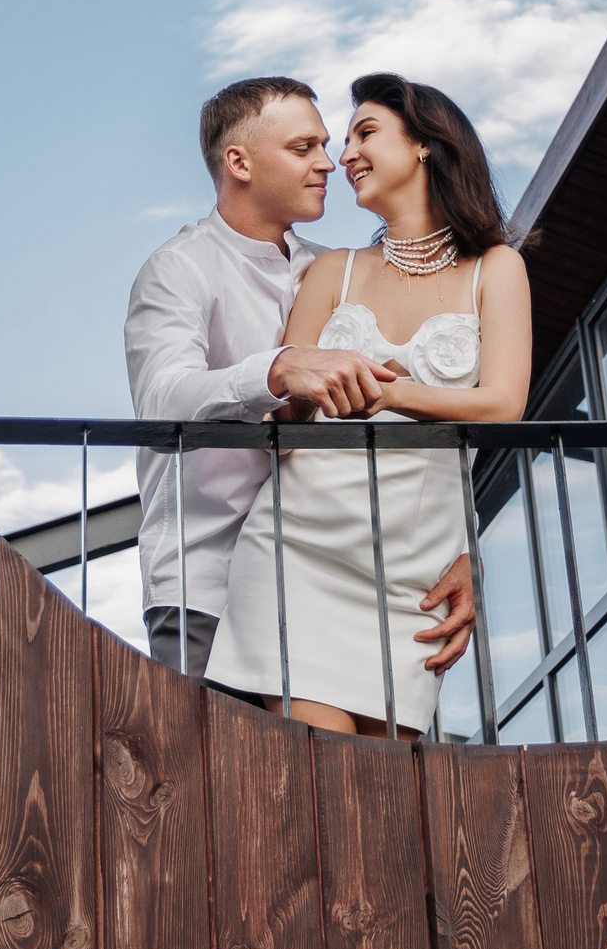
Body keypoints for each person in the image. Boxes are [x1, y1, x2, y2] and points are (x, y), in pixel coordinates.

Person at [207, 74, 529, 736]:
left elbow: (502, 407)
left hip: (413, 573)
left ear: (426, 146)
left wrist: (385, 390)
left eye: (365, 133)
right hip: (298, 553)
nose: (344, 153)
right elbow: (288, 426)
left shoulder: (497, 269)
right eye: (342, 138)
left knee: (380, 807)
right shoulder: (333, 273)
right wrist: (297, 399)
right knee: (326, 783)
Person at [124, 76, 476, 681]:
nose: (328, 162)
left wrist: (460, 547)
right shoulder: (177, 270)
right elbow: (162, 398)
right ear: (239, 162)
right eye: (303, 148)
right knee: (225, 774)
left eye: (324, 144)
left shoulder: (336, 272)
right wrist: (278, 368)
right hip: (210, 584)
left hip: (337, 578)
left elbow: (420, 411)